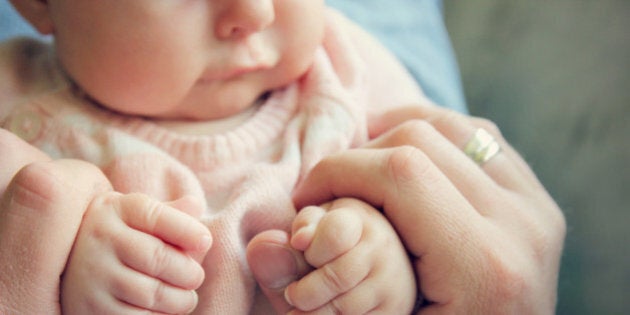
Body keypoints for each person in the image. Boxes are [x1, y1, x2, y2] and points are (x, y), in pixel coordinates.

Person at [0, 0, 424, 313]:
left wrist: (389, 268)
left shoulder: (347, 66)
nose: (254, 13)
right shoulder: (12, 101)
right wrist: (64, 271)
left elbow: (447, 204)